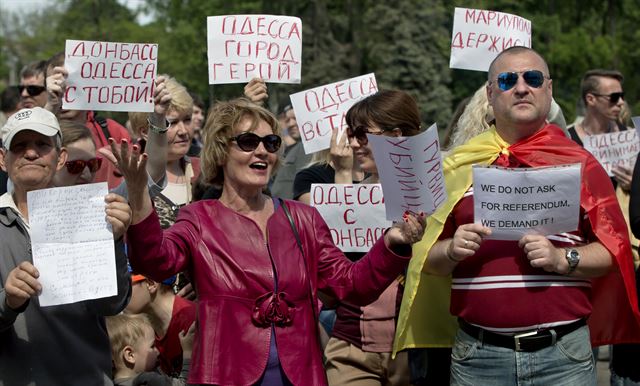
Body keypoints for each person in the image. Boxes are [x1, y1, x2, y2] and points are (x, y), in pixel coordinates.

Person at [114, 97, 427, 386]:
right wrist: (140, 193)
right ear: (222, 152)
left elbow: (352, 284)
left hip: (300, 375)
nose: (262, 151)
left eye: (271, 142)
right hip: (225, 374)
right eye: (248, 142)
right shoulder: (199, 218)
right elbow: (154, 260)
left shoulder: (303, 218)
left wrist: (393, 241)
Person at [394, 46, 640, 386]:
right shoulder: (456, 165)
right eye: (508, 80)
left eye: (533, 78)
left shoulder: (582, 163)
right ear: (491, 94)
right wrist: (450, 250)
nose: (522, 87)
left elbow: (614, 251)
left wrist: (561, 258)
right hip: (478, 357)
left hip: (563, 357)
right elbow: (427, 262)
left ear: (548, 90)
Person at [0, 107, 132, 385]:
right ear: (3, 159)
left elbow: (112, 304)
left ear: (60, 158)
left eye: (42, 145)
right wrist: (7, 301)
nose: (31, 153)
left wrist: (115, 241)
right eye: (20, 145)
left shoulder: (92, 215)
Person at [317, 90, 424, 386]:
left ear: (396, 136)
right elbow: (337, 269)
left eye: (362, 135)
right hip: (351, 344)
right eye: (352, 133)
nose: (353, 143)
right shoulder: (356, 197)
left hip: (413, 347)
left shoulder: (434, 194)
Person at [128, 75, 198, 229]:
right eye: (171, 123)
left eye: (187, 120)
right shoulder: (127, 176)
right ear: (145, 132)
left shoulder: (205, 171)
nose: (183, 131)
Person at [125, 272, 197, 377]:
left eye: (124, 284)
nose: (118, 294)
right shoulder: (147, 331)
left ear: (151, 283)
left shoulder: (193, 322)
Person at [106, 313, 194, 386]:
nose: (158, 351)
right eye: (152, 346)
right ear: (130, 355)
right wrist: (188, 352)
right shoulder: (148, 380)